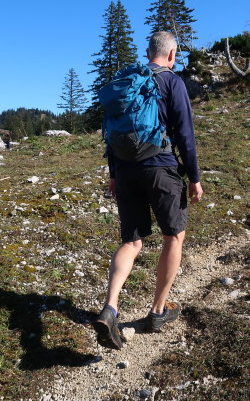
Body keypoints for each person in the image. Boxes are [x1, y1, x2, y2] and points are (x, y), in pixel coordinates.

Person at [93, 31, 203, 349]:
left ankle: (110, 307)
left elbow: (112, 132)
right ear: (172, 54)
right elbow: (185, 133)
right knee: (174, 236)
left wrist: (114, 173)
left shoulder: (128, 83)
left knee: (132, 241)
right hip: (161, 168)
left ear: (148, 52)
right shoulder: (172, 82)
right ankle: (157, 312)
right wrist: (194, 177)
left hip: (126, 170)